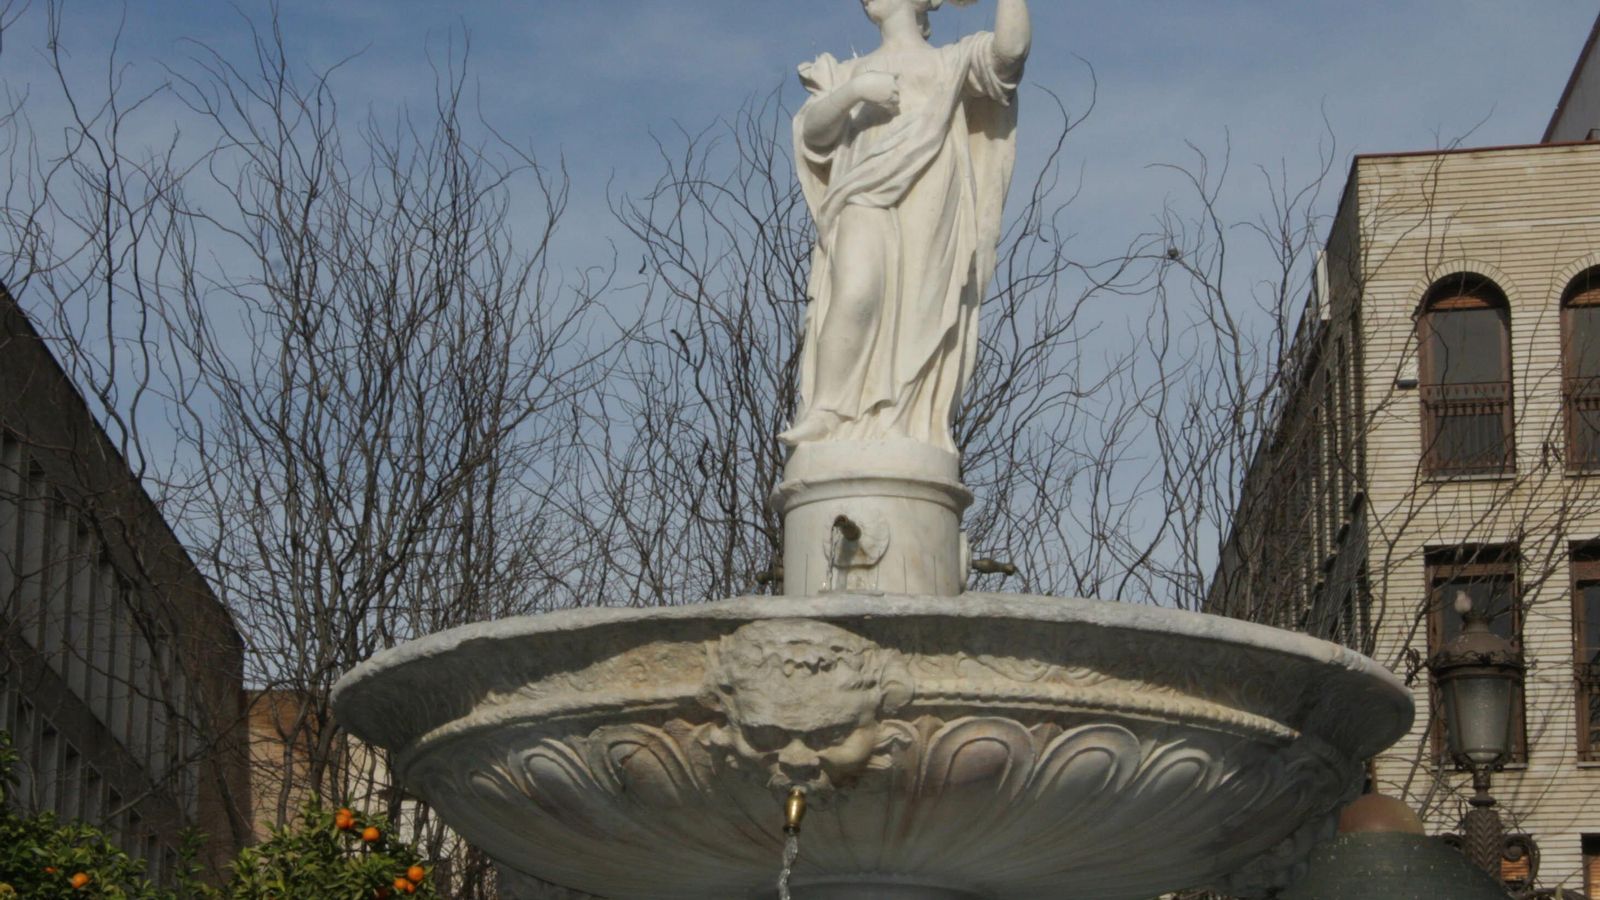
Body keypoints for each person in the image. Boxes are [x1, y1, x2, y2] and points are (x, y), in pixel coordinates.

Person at [779, 0, 1031, 453]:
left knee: (920, 308)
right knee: (855, 292)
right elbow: (814, 134)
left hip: (930, 203)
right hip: (860, 196)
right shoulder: (848, 71)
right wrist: (855, 93)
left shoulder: (950, 61)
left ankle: (903, 418)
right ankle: (828, 411)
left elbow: (1008, 55)